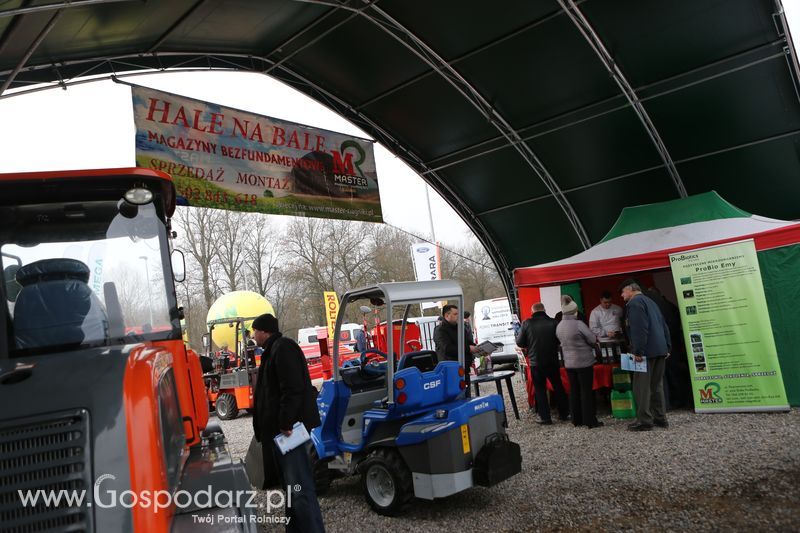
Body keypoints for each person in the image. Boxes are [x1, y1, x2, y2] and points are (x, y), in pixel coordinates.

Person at [251, 313, 325, 533]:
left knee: (299, 486)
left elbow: (292, 389)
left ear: (264, 330)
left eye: (255, 330)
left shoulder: (282, 348)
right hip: (281, 434)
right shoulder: (272, 351)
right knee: (292, 488)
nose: (253, 335)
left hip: (289, 433)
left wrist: (285, 422)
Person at [620, 280, 671, 431]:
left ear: (630, 290)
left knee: (641, 387)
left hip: (646, 353)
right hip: (660, 350)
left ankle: (644, 420)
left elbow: (639, 329)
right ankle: (660, 418)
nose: (622, 295)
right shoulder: (652, 302)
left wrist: (638, 351)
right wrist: (667, 346)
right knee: (657, 386)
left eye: (622, 292)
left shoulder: (634, 304)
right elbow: (663, 325)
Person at [516, 303, 569, 425]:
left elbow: (520, 343)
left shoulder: (527, 323)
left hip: (536, 362)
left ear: (532, 311)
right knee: (558, 386)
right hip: (552, 360)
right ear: (544, 310)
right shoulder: (554, 322)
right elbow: (560, 339)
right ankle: (564, 413)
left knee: (540, 389)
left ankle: (545, 417)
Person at [556, 300, 602, 429]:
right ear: (574, 311)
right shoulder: (578, 324)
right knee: (586, 391)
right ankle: (590, 420)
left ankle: (576, 419)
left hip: (569, 363)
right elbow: (592, 339)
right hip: (584, 362)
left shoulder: (559, 325)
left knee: (574, 391)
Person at [644, 287, 691, 409]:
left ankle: (671, 401)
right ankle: (680, 400)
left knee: (665, 375)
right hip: (672, 343)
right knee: (673, 373)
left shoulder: (655, 307)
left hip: (665, 343)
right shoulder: (670, 305)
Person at [434, 304, 479, 388]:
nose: (458, 316)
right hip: (451, 370)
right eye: (455, 314)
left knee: (466, 396)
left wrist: (478, 348)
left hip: (464, 369)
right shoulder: (440, 330)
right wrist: (468, 348)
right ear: (447, 315)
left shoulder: (460, 328)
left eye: (458, 314)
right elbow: (448, 349)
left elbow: (468, 342)